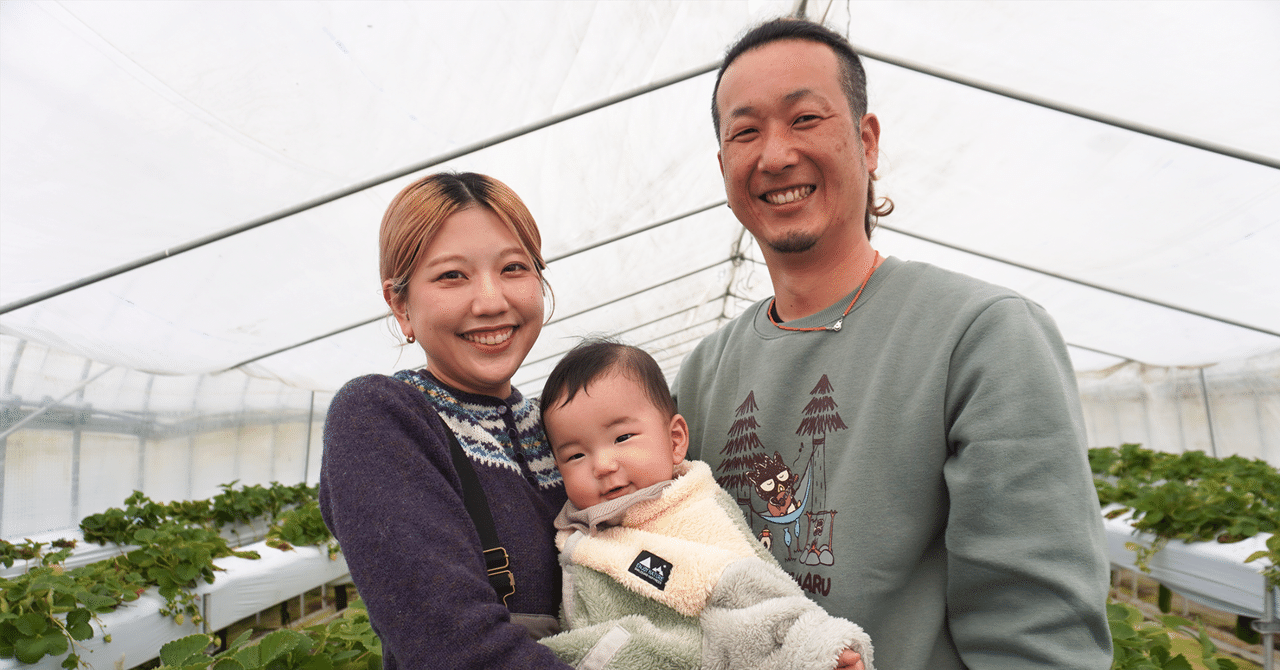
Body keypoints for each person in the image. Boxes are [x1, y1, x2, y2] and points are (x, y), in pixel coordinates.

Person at [671, 18, 1112, 669]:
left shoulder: (982, 336)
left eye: (805, 119)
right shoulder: (703, 374)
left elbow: (1037, 638)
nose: (775, 155)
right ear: (723, 166)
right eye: (745, 132)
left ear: (867, 141)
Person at [318, 172, 576, 669]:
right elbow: (455, 647)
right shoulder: (381, 418)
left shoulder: (559, 425)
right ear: (401, 305)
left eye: (514, 268)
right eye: (452, 276)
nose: (491, 301)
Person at [538, 339, 873, 670]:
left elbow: (759, 597)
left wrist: (816, 649)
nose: (602, 465)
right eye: (575, 455)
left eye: (622, 438)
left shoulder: (695, 514)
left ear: (675, 441)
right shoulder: (577, 532)